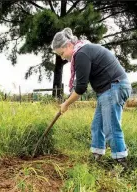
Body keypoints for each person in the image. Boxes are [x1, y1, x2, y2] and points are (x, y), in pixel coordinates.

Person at [51, 27, 132, 165]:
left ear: (69, 45)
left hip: (114, 87)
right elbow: (80, 83)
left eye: (62, 53)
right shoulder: (82, 51)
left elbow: (81, 88)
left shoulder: (82, 54)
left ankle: (121, 163)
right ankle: (97, 156)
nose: (62, 57)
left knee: (110, 127)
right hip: (107, 90)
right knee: (97, 125)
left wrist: (66, 104)